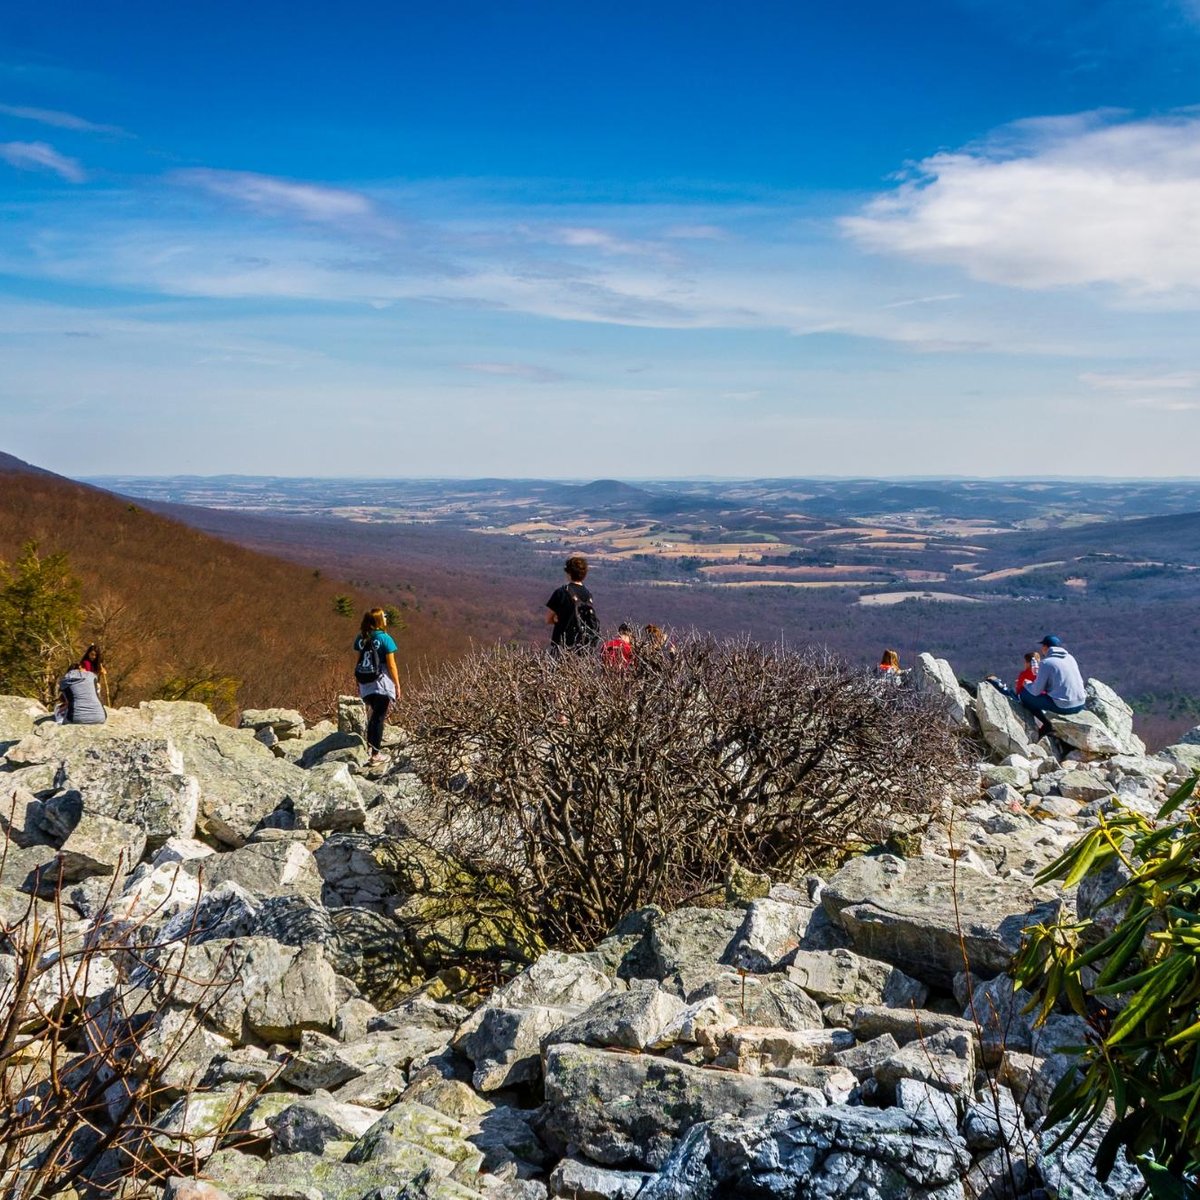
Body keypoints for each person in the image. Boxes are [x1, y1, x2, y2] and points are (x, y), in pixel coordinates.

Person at [354, 608, 401, 765]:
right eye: (384, 616)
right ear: (379, 620)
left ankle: (370, 748)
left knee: (374, 716)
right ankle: (375, 755)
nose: (386, 618)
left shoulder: (361, 638)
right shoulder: (385, 639)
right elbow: (391, 665)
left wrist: (358, 682)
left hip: (365, 683)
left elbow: (358, 660)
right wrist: (397, 684)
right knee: (378, 718)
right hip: (382, 682)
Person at [1019, 635, 1086, 738]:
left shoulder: (1046, 663)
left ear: (1045, 647)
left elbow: (1036, 691)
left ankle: (1046, 725)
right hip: (1081, 703)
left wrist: (1027, 684)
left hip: (1064, 706)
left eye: (1043, 647)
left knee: (1024, 695)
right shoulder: (1070, 658)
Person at [545, 555, 600, 656]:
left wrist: (558, 619)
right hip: (582, 648)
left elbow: (548, 619)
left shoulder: (561, 592)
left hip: (561, 645)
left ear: (568, 573)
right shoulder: (588, 595)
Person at [58, 654, 107, 725]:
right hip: (100, 717)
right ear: (81, 668)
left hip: (76, 719)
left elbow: (68, 702)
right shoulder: (92, 676)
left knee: (62, 722)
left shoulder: (65, 680)